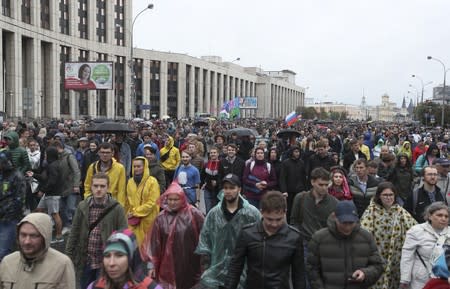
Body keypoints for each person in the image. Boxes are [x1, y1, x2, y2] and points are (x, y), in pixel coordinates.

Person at [225, 191, 305, 289]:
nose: (274, 224)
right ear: (261, 212)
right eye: (270, 219)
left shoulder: (294, 237)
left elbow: (299, 275)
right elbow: (235, 267)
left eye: (279, 219)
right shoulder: (247, 233)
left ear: (285, 213)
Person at [195, 173, 261, 289]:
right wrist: (206, 266)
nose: (228, 191)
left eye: (232, 188)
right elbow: (205, 240)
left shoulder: (251, 213)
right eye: (225, 188)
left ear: (239, 189)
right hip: (217, 270)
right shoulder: (214, 214)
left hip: (243, 270)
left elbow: (260, 240)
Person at [66, 173, 128, 289]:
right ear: (91, 187)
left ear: (108, 187)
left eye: (102, 186)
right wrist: (68, 256)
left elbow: (124, 235)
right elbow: (74, 232)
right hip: (86, 260)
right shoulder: (82, 206)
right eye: (96, 186)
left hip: (106, 261)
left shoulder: (117, 208)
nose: (99, 189)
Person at [306, 200, 384, 289]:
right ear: (335, 217)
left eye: (351, 223)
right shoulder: (319, 238)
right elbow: (312, 269)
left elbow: (378, 266)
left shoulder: (366, 237)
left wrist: (365, 273)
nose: (347, 227)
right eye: (343, 223)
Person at [144, 181, 205, 289]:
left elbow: (205, 236)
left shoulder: (194, 214)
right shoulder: (160, 219)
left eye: (175, 199)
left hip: (190, 263)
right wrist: (151, 265)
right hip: (167, 266)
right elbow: (153, 246)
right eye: (170, 199)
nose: (172, 202)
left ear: (182, 199)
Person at [360, 182, 417, 289]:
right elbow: (363, 234)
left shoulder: (401, 212)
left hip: (396, 259)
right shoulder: (370, 211)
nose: (388, 198)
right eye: (385, 195)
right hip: (377, 257)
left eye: (391, 195)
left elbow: (414, 229)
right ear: (379, 196)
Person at [0, 212, 76, 288]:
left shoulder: (62, 264)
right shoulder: (7, 262)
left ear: (45, 237)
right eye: (23, 235)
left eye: (33, 236)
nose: (27, 241)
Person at [87, 229, 162, 289]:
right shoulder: (94, 286)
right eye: (107, 255)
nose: (111, 263)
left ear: (132, 258)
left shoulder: (150, 287)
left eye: (119, 255)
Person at [400, 202, 450, 289]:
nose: (443, 218)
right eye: (439, 215)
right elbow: (407, 256)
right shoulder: (416, 231)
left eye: (446, 216)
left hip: (445, 281)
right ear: (430, 216)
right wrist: (405, 280)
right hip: (420, 280)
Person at [125, 157, 160, 245]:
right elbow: (128, 201)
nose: (136, 169)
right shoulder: (130, 182)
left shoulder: (152, 182)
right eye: (134, 166)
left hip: (148, 219)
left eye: (139, 166)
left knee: (147, 245)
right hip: (133, 221)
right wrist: (126, 215)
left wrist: (135, 212)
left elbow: (152, 202)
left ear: (144, 167)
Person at [0, 151, 26, 261]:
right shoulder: (1, 175)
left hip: (9, 219)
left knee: (4, 251)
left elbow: (19, 200)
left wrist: (6, 211)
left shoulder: (17, 176)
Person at [84, 142, 127, 207]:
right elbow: (87, 185)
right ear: (98, 153)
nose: (105, 155)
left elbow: (121, 190)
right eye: (102, 152)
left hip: (112, 204)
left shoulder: (120, 168)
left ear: (112, 153)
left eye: (107, 153)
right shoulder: (92, 167)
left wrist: (120, 206)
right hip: (94, 203)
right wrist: (87, 199)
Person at [279, 145, 307, 221]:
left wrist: (305, 189)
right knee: (289, 209)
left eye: (298, 152)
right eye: (295, 152)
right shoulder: (286, 163)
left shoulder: (301, 163)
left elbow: (304, 177)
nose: (297, 153)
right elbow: (282, 178)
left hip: (299, 190)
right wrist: (284, 190)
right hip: (289, 191)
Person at [201, 146, 222, 213]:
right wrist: (202, 184)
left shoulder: (221, 164)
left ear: (218, 154)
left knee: (216, 209)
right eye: (211, 153)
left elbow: (223, 176)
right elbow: (202, 175)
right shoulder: (206, 164)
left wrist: (217, 182)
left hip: (218, 190)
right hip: (208, 189)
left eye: (214, 153)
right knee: (208, 209)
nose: (213, 154)